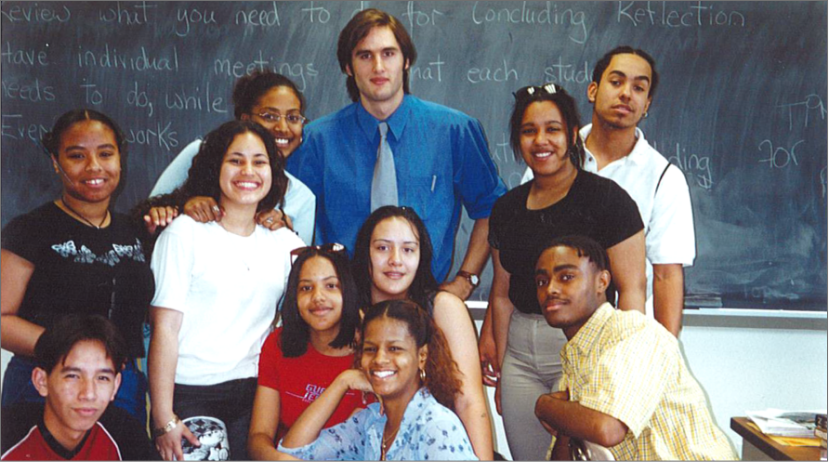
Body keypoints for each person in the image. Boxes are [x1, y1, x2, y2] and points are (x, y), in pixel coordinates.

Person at [287, 8, 506, 300]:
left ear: (406, 61)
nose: (378, 66)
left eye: (388, 53)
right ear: (348, 67)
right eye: (365, 55)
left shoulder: (454, 130)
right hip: (343, 307)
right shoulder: (316, 140)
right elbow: (289, 219)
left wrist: (466, 279)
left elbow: (493, 208)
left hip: (425, 304)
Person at [482, 83, 646, 460]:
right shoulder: (506, 209)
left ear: (573, 134)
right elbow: (502, 294)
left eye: (553, 129)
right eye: (529, 130)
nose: (541, 141)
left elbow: (633, 290)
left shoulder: (608, 200)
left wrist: (620, 370)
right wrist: (506, 364)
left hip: (585, 350)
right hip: (521, 354)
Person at [146, 120, 304, 461]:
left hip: (257, 393)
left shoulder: (285, 242)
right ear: (216, 166)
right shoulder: (183, 234)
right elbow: (165, 329)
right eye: (236, 160)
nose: (248, 171)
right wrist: (162, 418)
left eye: (259, 161)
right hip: (191, 392)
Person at [521, 46, 696, 337]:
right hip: (546, 326)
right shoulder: (548, 156)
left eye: (639, 87)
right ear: (592, 90)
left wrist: (663, 353)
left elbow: (666, 275)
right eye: (616, 82)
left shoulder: (664, 178)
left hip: (620, 331)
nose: (627, 94)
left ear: (647, 104)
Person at [0, 109, 154, 426]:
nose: (94, 166)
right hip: (42, 382)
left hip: (120, 385)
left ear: (120, 159)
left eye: (105, 153)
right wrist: (70, 353)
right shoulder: (29, 229)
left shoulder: (138, 231)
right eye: (76, 156)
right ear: (56, 163)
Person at [532, 235, 736, 461]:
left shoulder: (634, 333)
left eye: (566, 277)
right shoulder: (574, 358)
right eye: (542, 281)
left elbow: (607, 429)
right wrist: (564, 420)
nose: (551, 289)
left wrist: (544, 405)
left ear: (602, 282)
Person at [352, 206, 493, 459]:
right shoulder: (350, 314)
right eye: (383, 248)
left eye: (408, 250)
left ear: (421, 257)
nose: (395, 260)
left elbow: (470, 402)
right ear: (365, 254)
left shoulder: (443, 308)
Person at [276, 299, 477, 461]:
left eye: (395, 349)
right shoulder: (372, 422)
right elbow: (293, 451)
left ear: (422, 356)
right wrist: (342, 381)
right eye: (370, 349)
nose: (380, 359)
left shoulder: (436, 427)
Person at [145, 71, 316, 245]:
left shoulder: (303, 198)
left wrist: (286, 232)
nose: (283, 128)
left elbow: (299, 265)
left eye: (293, 118)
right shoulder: (201, 153)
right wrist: (184, 207)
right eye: (269, 116)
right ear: (246, 119)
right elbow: (151, 212)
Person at [247, 244, 364, 460]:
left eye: (330, 286)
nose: (318, 297)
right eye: (306, 288)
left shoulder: (369, 354)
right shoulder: (279, 343)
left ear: (347, 291)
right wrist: (280, 459)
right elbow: (259, 436)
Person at [1, 315, 151, 461]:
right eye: (72, 376)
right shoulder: (7, 436)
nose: (88, 394)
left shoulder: (126, 436)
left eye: (102, 378)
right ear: (42, 381)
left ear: (116, 385)